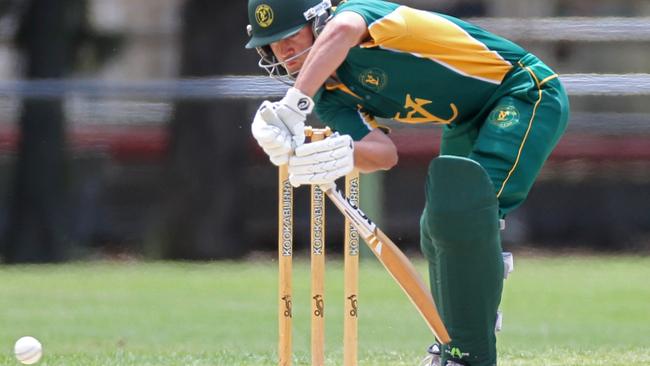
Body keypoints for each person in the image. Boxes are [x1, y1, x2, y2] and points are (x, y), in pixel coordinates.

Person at [246, 0, 569, 365]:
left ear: (317, 21)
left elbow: (343, 31)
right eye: (272, 42)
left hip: (523, 90)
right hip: (467, 119)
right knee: (435, 227)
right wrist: (339, 153)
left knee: (459, 212)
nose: (284, 50)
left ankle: (468, 350)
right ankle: (454, 337)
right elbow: (384, 153)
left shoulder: (358, 17)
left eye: (291, 34)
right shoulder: (330, 96)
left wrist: (292, 105)